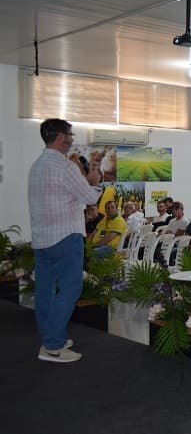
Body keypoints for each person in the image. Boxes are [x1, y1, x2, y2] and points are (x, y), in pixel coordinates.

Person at [29, 118, 102, 363]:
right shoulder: (65, 167)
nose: (72, 138)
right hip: (65, 236)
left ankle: (52, 335)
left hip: (42, 238)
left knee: (45, 291)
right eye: (70, 134)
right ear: (61, 137)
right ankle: (52, 346)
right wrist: (94, 180)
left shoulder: (36, 166)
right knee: (71, 288)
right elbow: (91, 198)